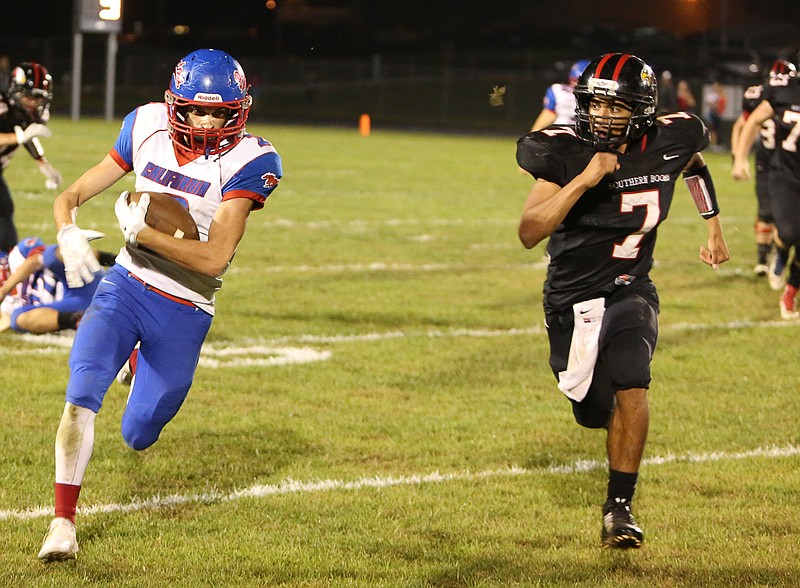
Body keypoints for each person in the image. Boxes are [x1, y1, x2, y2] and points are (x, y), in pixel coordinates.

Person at [37, 48, 283, 563]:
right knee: (81, 391)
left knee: (139, 432)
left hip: (186, 303)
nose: (210, 121)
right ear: (177, 104)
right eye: (199, 109)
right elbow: (74, 194)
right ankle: (62, 524)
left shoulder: (252, 159)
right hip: (126, 282)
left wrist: (144, 231)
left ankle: (137, 362)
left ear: (239, 110)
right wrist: (68, 234)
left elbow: (214, 257)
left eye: (221, 111)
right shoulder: (145, 124)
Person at [517, 53, 729, 549]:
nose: (602, 117)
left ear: (642, 109)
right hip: (572, 297)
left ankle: (619, 508)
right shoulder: (565, 151)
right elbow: (529, 232)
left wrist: (713, 224)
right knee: (592, 410)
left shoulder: (672, 136)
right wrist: (587, 178)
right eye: (595, 105)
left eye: (615, 108)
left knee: (634, 380)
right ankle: (602, 410)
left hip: (632, 285)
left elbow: (693, 166)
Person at [732, 57, 800, 319]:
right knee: (791, 230)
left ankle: (790, 293)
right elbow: (752, 122)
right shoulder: (786, 91)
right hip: (786, 174)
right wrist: (739, 158)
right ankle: (780, 253)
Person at [0, 62, 62, 252]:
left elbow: (27, 134)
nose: (34, 103)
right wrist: (18, 137)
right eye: (29, 97)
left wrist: (43, 163)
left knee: (4, 211)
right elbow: (23, 135)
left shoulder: (31, 112)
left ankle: (6, 260)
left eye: (38, 98)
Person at [0, 233, 113, 333]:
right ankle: (80, 320)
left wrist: (4, 290)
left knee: (50, 255)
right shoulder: (6, 305)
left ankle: (116, 260)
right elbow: (6, 321)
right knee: (17, 318)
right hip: (72, 305)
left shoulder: (17, 255)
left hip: (82, 281)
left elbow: (36, 260)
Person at [529, 59, 590, 132]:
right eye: (574, 80)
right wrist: (533, 134)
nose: (575, 84)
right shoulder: (558, 91)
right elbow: (549, 114)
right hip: (560, 133)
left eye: (579, 81)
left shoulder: (597, 98)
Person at [703, 81, 727, 149]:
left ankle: (715, 144)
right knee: (712, 129)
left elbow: (719, 106)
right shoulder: (714, 95)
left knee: (715, 130)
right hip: (713, 114)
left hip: (716, 114)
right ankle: (713, 144)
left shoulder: (720, 96)